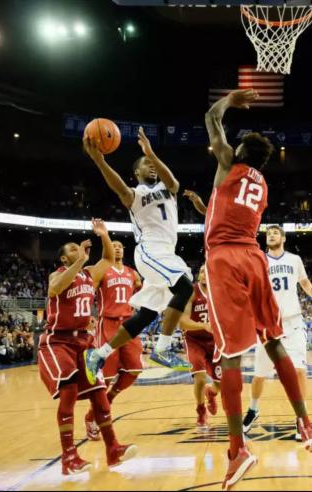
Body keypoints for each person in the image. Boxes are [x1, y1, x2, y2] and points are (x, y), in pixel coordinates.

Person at [204, 89, 312, 490]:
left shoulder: (229, 164)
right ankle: (305, 425)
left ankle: (237, 449)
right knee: (274, 343)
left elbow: (210, 119)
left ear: (238, 151)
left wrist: (229, 101)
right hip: (254, 258)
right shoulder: (262, 184)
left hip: (225, 259)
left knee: (232, 356)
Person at [82, 128, 194, 382]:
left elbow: (174, 182)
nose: (151, 167)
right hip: (150, 251)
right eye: (146, 165)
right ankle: (162, 349)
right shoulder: (135, 194)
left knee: (146, 314)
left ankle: (99, 354)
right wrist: (100, 161)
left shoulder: (169, 187)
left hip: (167, 253)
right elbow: (118, 187)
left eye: (153, 164)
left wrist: (151, 153)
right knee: (185, 288)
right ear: (137, 173)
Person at [38, 219, 136, 475]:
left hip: (84, 341)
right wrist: (80, 260)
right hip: (58, 341)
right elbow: (54, 289)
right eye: (71, 249)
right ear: (62, 259)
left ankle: (113, 448)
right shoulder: (58, 275)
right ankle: (68, 457)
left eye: (77, 248)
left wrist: (104, 234)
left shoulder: (90, 276)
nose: (76, 251)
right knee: (69, 392)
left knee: (100, 395)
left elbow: (106, 257)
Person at [242, 225, 312, 437]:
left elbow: (304, 282)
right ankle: (253, 409)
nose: (271, 235)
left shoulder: (294, 259)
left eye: (275, 233)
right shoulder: (258, 259)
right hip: (267, 323)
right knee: (260, 375)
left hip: (293, 322)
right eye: (268, 234)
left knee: (299, 371)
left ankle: (301, 418)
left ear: (283, 238)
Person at [85, 240, 143, 441]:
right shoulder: (101, 270)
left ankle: (109, 398)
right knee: (106, 377)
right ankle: (92, 417)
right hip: (107, 323)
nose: (117, 248)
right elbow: (88, 291)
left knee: (134, 368)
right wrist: (86, 316)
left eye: (120, 246)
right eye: (114, 245)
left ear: (124, 250)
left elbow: (140, 289)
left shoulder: (132, 273)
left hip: (128, 323)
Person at [179, 264, 222, 429]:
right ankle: (201, 409)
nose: (205, 273)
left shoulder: (220, 291)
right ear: (199, 276)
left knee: (220, 384)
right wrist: (203, 325)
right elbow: (182, 321)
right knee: (200, 377)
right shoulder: (191, 292)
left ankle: (211, 393)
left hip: (215, 341)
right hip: (194, 340)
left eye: (208, 270)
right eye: (202, 271)